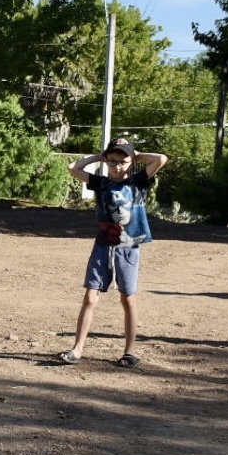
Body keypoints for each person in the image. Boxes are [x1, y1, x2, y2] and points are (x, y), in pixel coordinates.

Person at [56, 137, 169, 368]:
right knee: (90, 296)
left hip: (128, 247)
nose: (116, 166)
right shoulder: (101, 183)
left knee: (128, 298)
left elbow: (161, 159)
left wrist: (136, 156)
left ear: (130, 162)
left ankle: (129, 352)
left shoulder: (137, 181)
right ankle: (77, 349)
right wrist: (100, 157)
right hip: (103, 245)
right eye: (112, 161)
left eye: (122, 161)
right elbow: (73, 168)